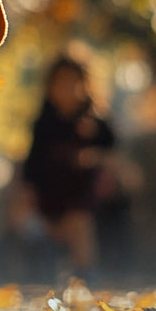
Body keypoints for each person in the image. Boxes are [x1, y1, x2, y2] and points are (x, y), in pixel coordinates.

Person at [22, 53, 115, 285]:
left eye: (72, 82)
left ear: (85, 84)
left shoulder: (94, 121)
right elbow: (32, 164)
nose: (66, 88)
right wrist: (27, 194)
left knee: (78, 223)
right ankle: (39, 272)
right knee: (31, 221)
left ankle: (87, 275)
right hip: (50, 195)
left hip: (83, 196)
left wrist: (92, 152)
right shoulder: (44, 122)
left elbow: (112, 150)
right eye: (60, 82)